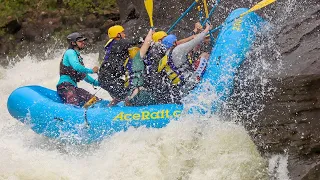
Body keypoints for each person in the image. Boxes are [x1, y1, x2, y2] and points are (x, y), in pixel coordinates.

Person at [98, 25, 141, 106]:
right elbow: (135, 41)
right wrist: (149, 37)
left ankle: (111, 106)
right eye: (123, 32)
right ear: (118, 35)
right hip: (107, 79)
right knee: (127, 94)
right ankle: (129, 112)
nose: (125, 34)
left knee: (124, 92)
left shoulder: (114, 44)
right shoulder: (118, 43)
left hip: (107, 78)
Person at [56, 32, 100, 106]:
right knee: (73, 104)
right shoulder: (70, 52)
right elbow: (76, 67)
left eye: (83, 41)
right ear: (73, 43)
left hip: (73, 87)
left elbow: (84, 76)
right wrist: (91, 71)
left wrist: (99, 83)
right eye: (80, 41)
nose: (83, 42)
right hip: (65, 86)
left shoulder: (77, 56)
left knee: (95, 100)